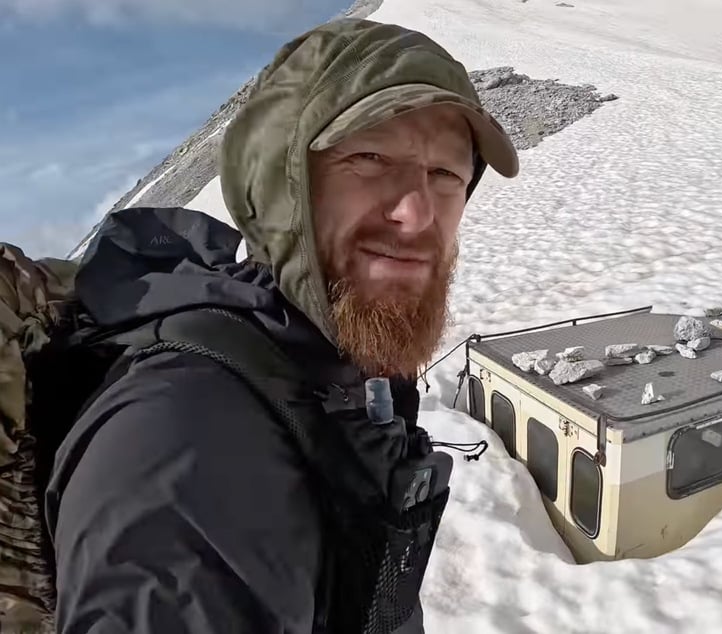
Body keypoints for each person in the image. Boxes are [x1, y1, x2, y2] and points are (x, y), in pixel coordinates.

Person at [44, 17, 519, 634]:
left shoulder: (332, 370)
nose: (417, 212)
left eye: (446, 175)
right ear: (279, 184)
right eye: (370, 158)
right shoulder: (187, 449)